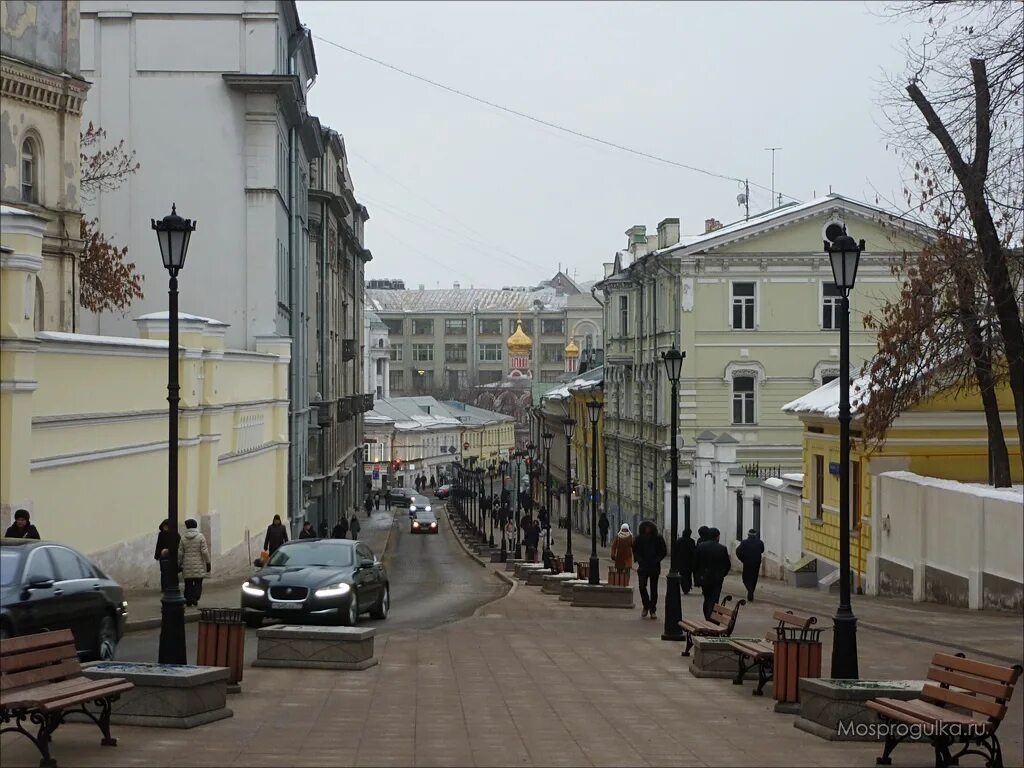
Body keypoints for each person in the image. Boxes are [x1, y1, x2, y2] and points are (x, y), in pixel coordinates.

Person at [633, 521, 668, 620]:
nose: (648, 529)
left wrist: (657, 560)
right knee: (642, 586)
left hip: (654, 567)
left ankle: (652, 609)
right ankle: (646, 605)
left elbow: (663, 551)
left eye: (649, 527)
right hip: (643, 566)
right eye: (646, 527)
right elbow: (635, 550)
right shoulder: (639, 538)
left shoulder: (658, 538)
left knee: (654, 589)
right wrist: (639, 560)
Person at [698, 528, 731, 621]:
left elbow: (696, 563)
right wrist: (722, 574)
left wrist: (698, 576)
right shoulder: (722, 548)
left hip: (704, 577)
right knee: (714, 598)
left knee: (707, 598)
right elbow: (727, 564)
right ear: (717, 536)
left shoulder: (701, 546)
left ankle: (708, 616)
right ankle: (711, 617)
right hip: (717, 578)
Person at [178, 518, 210, 607]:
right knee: (198, 582)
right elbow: (204, 551)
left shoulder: (183, 538)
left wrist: (179, 563)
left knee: (188, 583)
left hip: (187, 564)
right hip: (199, 563)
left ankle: (188, 599)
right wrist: (208, 562)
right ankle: (195, 597)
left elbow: (180, 553)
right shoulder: (200, 537)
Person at [736, 529, 765, 601]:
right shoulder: (760, 542)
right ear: (755, 535)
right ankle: (751, 591)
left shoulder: (744, 543)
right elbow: (762, 550)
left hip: (747, 563)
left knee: (745, 578)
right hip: (756, 563)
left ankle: (750, 590)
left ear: (748, 535)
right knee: (754, 578)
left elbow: (738, 551)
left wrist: (742, 559)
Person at [671, 528, 696, 595]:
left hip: (681, 561)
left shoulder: (679, 541)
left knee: (682, 575)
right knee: (688, 575)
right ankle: (688, 586)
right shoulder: (691, 541)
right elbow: (693, 552)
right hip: (689, 561)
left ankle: (684, 587)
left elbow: (675, 551)